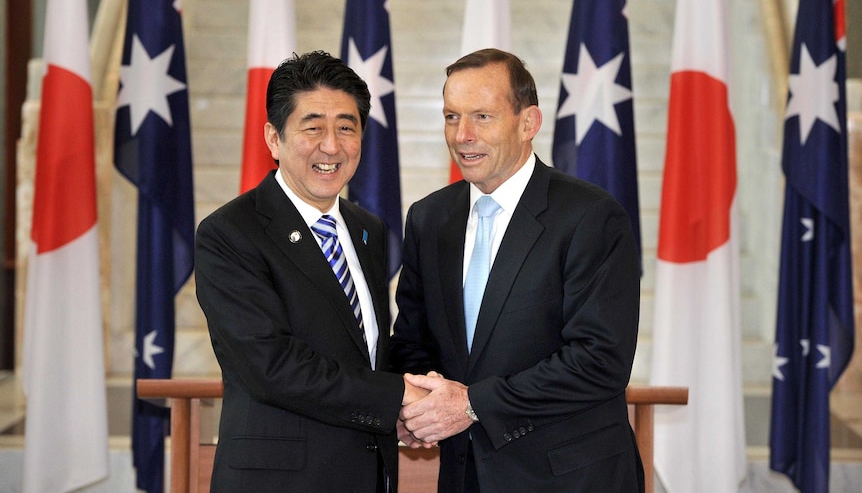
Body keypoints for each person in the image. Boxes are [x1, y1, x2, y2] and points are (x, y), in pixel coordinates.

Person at [391, 48, 644, 492]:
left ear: (529, 123)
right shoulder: (429, 219)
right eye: (452, 117)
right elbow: (414, 340)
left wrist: (471, 405)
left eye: (482, 117)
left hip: (570, 479)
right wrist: (419, 403)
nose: (463, 135)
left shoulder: (590, 217)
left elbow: (599, 360)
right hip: (465, 476)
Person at [196, 51, 425, 492]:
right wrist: (397, 397)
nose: (331, 145)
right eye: (313, 126)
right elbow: (272, 365)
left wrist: (422, 388)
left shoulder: (367, 230)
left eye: (346, 127)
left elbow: (364, 350)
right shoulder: (230, 233)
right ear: (273, 137)